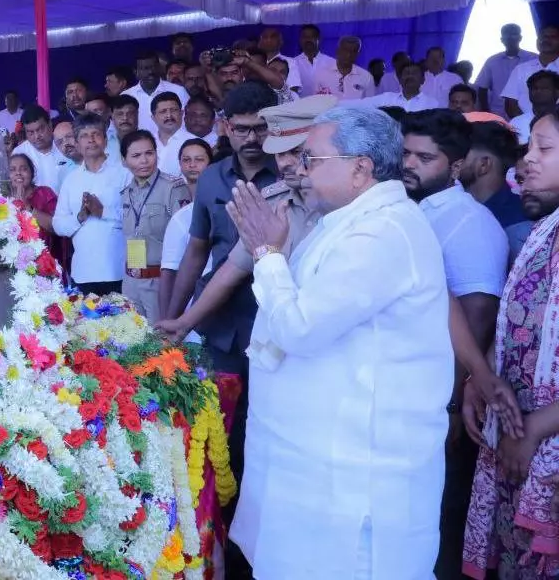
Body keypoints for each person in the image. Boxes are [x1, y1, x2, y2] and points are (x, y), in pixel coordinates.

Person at [228, 106, 453, 580]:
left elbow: (301, 327)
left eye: (313, 159)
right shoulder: (346, 221)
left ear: (360, 167)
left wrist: (267, 254)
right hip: (316, 461)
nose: (300, 170)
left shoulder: (383, 232)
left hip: (356, 471)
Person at [400, 109, 510, 580]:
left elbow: (477, 320)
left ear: (458, 165)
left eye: (425, 157)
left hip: (439, 402)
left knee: (437, 525)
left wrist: (449, 404)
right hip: (406, 393)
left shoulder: (473, 225)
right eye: (406, 152)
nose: (410, 164)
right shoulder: (411, 210)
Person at [462, 108, 559, 579]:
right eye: (529, 148)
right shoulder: (545, 231)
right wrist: (480, 380)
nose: (527, 162)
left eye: (545, 148)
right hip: (517, 434)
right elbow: (519, 323)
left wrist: (541, 425)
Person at [157, 94, 336, 345]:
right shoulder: (272, 200)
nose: (286, 164)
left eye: (296, 152)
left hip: (321, 338)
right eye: (280, 154)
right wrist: (183, 322)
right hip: (255, 331)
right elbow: (233, 267)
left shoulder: (345, 204)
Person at [53, 113, 131, 296]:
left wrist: (102, 211)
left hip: (118, 271)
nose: (91, 140)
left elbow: (136, 219)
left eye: (96, 134)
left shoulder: (124, 174)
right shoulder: (71, 180)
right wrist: (80, 216)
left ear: (105, 140)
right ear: (78, 144)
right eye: (84, 136)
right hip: (84, 272)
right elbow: (58, 224)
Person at [119, 130, 190, 322]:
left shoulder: (173, 188)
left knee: (160, 342)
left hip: (159, 281)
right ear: (124, 160)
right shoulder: (126, 193)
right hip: (131, 280)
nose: (144, 160)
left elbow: (185, 238)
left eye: (149, 153)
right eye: (136, 155)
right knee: (131, 338)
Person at [460, 120, 532, 263]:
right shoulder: (461, 209)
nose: (453, 160)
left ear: (484, 164)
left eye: (461, 154)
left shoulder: (517, 224)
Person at [160, 139, 215, 319]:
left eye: (199, 159)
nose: (192, 165)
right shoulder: (180, 211)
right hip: (187, 302)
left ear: (211, 162)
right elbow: (169, 271)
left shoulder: (221, 203)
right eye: (186, 160)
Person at [476, 24, 537, 116]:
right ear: (502, 39)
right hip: (497, 114)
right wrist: (486, 113)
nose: (510, 37)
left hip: (527, 112)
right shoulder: (492, 61)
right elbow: (482, 88)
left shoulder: (533, 59)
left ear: (520, 38)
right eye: (506, 34)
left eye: (513, 34)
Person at [502, 24, 559, 120]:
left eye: (552, 37)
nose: (546, 40)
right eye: (543, 37)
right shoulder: (520, 69)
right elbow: (510, 103)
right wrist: (528, 125)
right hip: (525, 130)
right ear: (537, 41)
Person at [12, 106, 72, 193]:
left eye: (40, 129)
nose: (37, 136)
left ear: (50, 125)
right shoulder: (20, 153)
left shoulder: (65, 145)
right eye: (31, 132)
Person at [125, 51, 189, 133]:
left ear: (159, 67)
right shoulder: (127, 95)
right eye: (145, 68)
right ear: (136, 72)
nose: (150, 72)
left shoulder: (178, 91)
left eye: (153, 67)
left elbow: (187, 122)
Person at [348, 60, 439, 112]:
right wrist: (334, 102)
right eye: (406, 73)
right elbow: (360, 104)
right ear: (399, 79)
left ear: (423, 80)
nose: (410, 76)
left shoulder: (432, 104)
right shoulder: (387, 99)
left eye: (414, 73)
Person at [309, 35, 374, 100]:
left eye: (353, 51)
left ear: (358, 54)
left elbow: (369, 105)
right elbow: (315, 102)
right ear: (337, 51)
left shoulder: (366, 76)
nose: (349, 55)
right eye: (345, 50)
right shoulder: (321, 73)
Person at [7, 153, 56, 237]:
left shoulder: (45, 193)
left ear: (32, 173)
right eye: (13, 170)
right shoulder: (4, 200)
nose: (18, 173)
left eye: (23, 169)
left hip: (46, 248)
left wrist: (26, 206)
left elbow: (56, 227)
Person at [512, 69, 559, 144]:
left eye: (544, 88)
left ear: (557, 92)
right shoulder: (516, 123)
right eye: (535, 88)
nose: (538, 91)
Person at [150, 92, 191, 177]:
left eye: (173, 110)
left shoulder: (194, 142)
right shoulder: (146, 142)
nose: (169, 115)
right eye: (163, 111)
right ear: (153, 117)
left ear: (182, 113)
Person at [290, 24, 337, 97]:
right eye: (305, 37)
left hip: (326, 106)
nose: (308, 39)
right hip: (301, 107)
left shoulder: (332, 62)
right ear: (300, 40)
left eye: (312, 36)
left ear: (319, 39)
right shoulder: (292, 63)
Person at [84, 94, 122, 161]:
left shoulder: (122, 130)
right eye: (90, 113)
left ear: (109, 111)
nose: (93, 116)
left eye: (97, 111)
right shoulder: (83, 138)